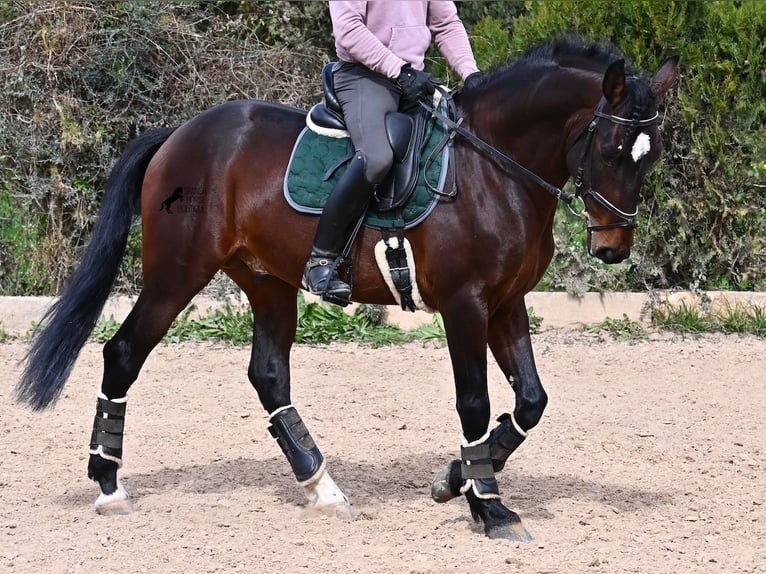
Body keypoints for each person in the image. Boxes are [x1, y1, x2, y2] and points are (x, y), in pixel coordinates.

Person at [301, 0, 483, 305]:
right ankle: (320, 260)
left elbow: (446, 23)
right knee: (376, 158)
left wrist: (471, 74)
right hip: (364, 77)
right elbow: (348, 30)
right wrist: (398, 69)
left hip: (412, 80)